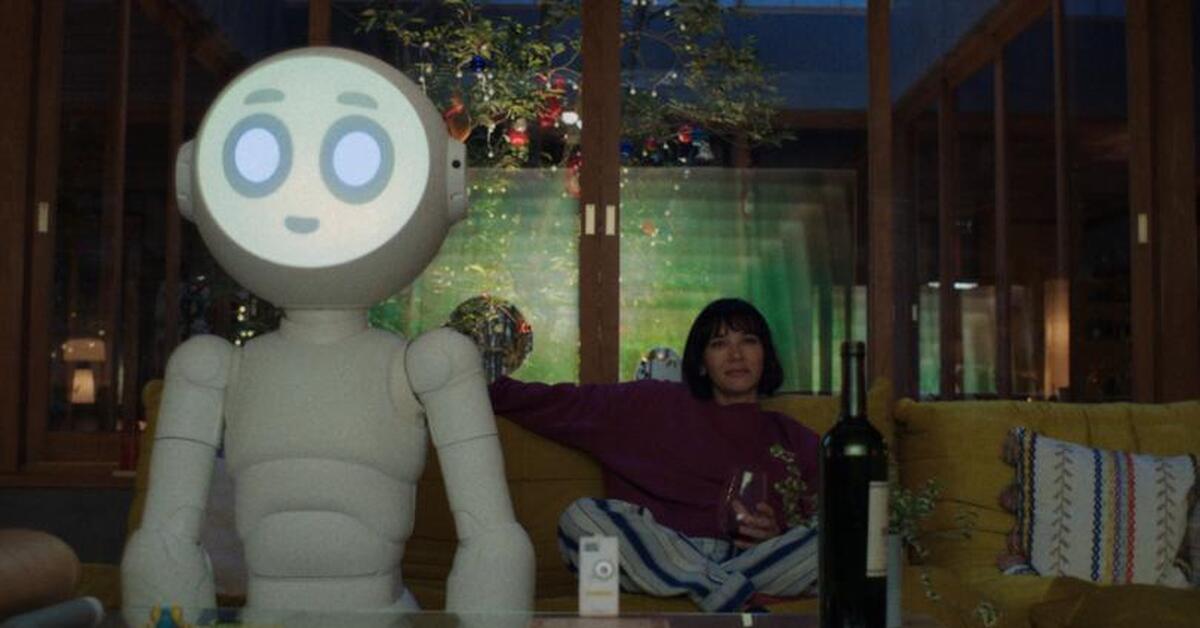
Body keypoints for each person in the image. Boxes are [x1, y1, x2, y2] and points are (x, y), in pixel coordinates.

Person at [488, 298, 820, 612]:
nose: (735, 354)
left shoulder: (794, 437)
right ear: (702, 363)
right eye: (719, 344)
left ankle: (718, 589)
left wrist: (780, 533)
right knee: (582, 516)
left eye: (748, 341)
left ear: (765, 355)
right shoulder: (649, 404)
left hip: (756, 560)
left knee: (835, 534)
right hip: (654, 553)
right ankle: (728, 591)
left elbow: (822, 520)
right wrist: (469, 380)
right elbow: (550, 403)